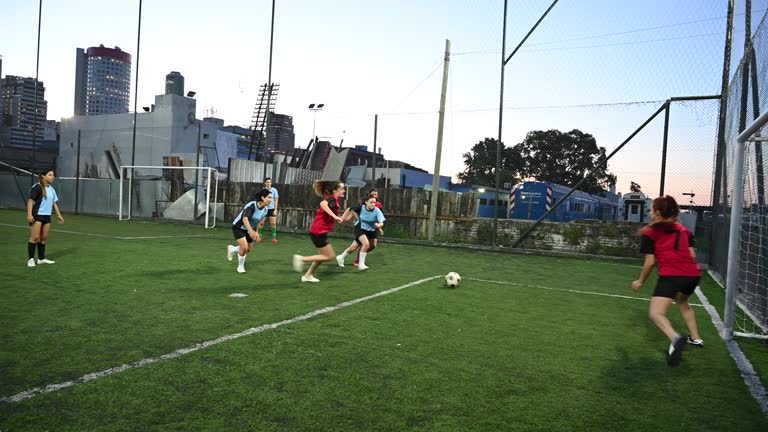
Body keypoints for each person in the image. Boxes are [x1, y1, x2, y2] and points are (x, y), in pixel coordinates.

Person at [631, 195, 703, 367]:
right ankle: (696, 338)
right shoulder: (684, 230)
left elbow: (650, 261)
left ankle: (675, 338)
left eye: (651, 209)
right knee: (683, 302)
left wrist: (640, 281)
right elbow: (692, 255)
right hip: (693, 275)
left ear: (657, 212)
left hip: (672, 275)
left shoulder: (650, 231)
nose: (649, 212)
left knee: (656, 313)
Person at [292, 180, 351, 283]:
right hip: (318, 232)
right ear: (335, 190)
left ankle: (307, 275)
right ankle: (301, 259)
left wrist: (342, 217)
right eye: (341, 188)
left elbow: (336, 217)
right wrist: (335, 216)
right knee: (330, 256)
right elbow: (323, 204)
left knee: (322, 257)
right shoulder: (332, 199)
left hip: (318, 231)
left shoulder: (334, 200)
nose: (344, 191)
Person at [226, 189, 272, 273]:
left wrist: (256, 232)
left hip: (250, 228)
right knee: (244, 247)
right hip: (239, 226)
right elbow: (245, 218)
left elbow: (258, 222)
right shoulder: (251, 205)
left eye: (271, 198)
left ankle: (232, 249)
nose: (271, 200)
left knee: (248, 249)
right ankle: (240, 267)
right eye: (269, 197)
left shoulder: (265, 210)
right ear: (263, 197)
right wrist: (250, 231)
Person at [26, 169, 64, 267]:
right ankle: (30, 259)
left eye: (53, 175)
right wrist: (29, 214)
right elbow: (30, 201)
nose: (52, 177)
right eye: (50, 175)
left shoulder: (51, 189)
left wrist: (59, 215)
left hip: (47, 216)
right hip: (37, 215)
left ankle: (41, 259)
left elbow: (54, 203)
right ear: (43, 176)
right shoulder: (37, 187)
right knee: (35, 237)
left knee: (43, 239)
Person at [336, 194, 385, 271]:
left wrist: (379, 225)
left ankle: (341, 257)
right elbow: (350, 209)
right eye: (371, 202)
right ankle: (361, 264)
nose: (373, 204)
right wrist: (343, 218)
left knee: (355, 247)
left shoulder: (377, 211)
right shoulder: (360, 208)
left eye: (374, 202)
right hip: (360, 228)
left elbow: (382, 222)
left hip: (372, 229)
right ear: (366, 202)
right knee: (366, 243)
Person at [354, 188, 384, 267]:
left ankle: (361, 257)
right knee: (364, 244)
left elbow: (379, 218)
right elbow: (353, 210)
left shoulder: (378, 205)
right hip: (363, 226)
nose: (375, 196)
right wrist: (359, 220)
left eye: (376, 195)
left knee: (373, 245)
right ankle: (359, 261)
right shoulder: (363, 204)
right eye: (373, 194)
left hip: (373, 227)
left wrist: (379, 227)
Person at [257, 177, 280, 244]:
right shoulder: (263, 190)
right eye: (267, 182)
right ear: (265, 183)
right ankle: (259, 237)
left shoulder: (274, 190)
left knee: (273, 223)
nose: (269, 183)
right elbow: (260, 200)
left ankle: (274, 238)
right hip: (264, 208)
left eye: (270, 182)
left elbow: (276, 200)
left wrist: (275, 209)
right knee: (261, 223)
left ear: (271, 183)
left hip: (271, 209)